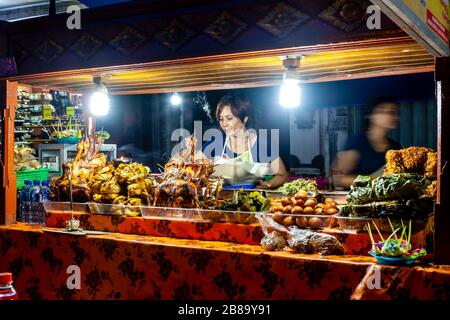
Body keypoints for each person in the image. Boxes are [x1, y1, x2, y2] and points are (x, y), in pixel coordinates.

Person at [203, 93, 288, 189]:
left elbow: (282, 175)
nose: (224, 124)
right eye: (221, 119)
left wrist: (267, 185)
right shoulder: (214, 143)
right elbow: (194, 167)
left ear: (244, 118)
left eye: (229, 118)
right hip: (220, 200)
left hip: (250, 200)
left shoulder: (262, 144)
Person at [332, 97, 402, 189]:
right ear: (372, 115)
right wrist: (373, 179)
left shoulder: (396, 148)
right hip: (358, 201)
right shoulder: (357, 143)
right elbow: (336, 179)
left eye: (394, 113)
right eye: (386, 111)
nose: (392, 116)